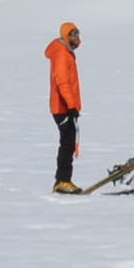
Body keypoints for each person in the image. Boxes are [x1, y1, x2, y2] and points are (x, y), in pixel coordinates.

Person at [46, 22, 84, 193]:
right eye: (74, 34)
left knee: (68, 142)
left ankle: (64, 179)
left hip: (66, 107)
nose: (77, 37)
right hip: (62, 108)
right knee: (67, 143)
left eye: (78, 33)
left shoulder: (66, 53)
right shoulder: (62, 54)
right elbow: (62, 82)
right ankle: (62, 180)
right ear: (66, 36)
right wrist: (71, 106)